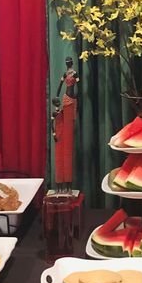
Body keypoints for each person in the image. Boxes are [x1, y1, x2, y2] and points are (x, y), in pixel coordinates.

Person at [53, 57, 79, 192]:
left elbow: (78, 86)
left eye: (68, 62)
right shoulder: (65, 74)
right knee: (62, 120)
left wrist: (77, 98)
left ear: (71, 63)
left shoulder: (75, 74)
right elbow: (59, 86)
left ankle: (67, 185)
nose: (67, 63)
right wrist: (57, 96)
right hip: (66, 98)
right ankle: (62, 185)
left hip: (73, 99)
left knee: (69, 124)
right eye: (66, 62)